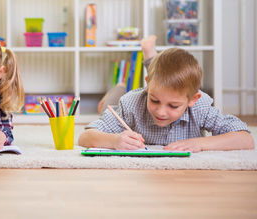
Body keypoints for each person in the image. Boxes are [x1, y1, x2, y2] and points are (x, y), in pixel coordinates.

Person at [79, 35, 254, 152]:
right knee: (108, 105)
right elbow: (85, 137)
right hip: (118, 103)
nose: (161, 112)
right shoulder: (132, 103)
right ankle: (118, 87)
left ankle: (149, 55)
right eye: (154, 101)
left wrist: (200, 144)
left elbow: (246, 139)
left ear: (193, 99)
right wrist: (115, 141)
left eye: (173, 105)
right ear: (147, 86)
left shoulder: (200, 107)